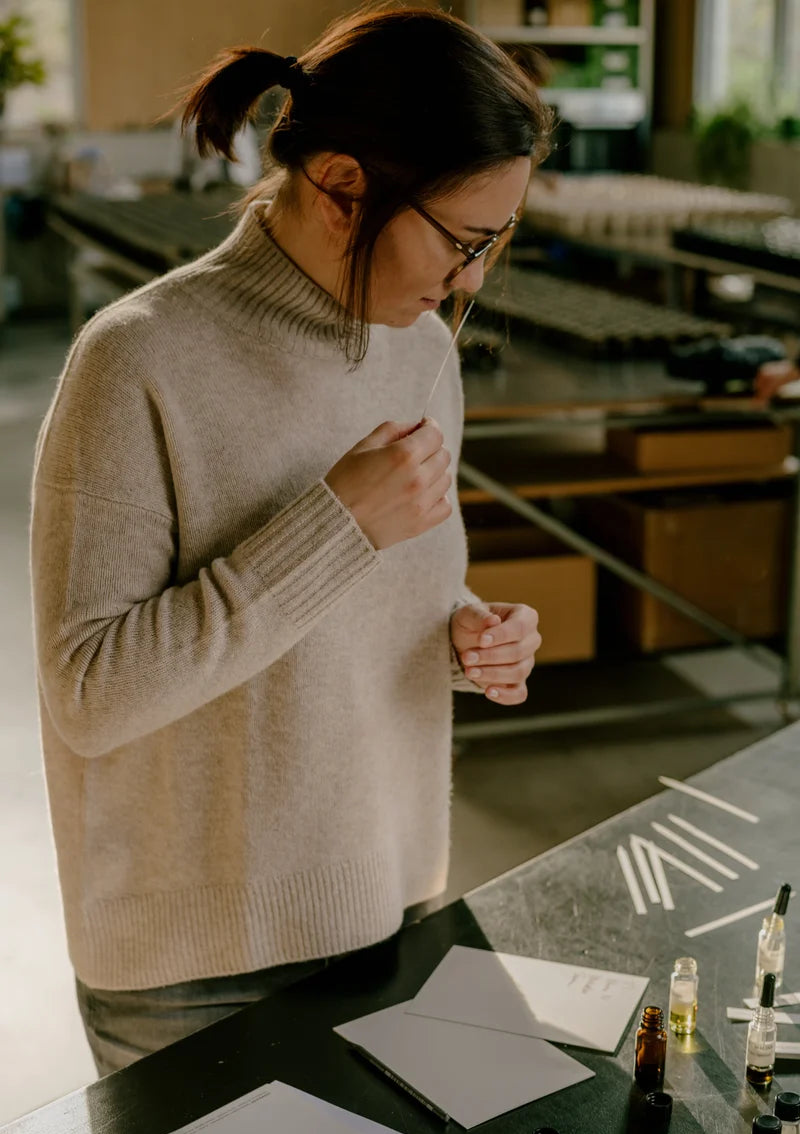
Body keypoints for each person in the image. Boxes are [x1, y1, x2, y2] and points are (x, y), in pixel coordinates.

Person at [30, 5, 550, 1075]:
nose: (469, 283)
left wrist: (464, 639)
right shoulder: (137, 359)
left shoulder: (422, 357)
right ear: (340, 187)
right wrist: (337, 525)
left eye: (493, 242)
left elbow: (374, 605)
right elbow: (91, 695)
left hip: (391, 904)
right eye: (460, 240)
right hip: (194, 969)